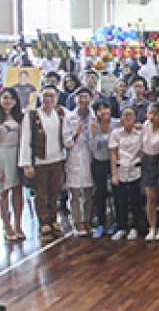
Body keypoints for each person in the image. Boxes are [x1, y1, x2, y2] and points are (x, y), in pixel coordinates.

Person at [20, 85, 66, 242]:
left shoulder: (60, 113)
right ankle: (44, 223)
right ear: (40, 97)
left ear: (57, 98)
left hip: (57, 159)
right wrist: (26, 163)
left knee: (54, 192)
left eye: (52, 96)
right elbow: (25, 140)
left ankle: (54, 219)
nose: (49, 99)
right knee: (41, 193)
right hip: (40, 161)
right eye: (46, 95)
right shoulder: (32, 115)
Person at [63, 87, 96, 236]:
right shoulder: (69, 117)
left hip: (89, 157)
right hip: (74, 157)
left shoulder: (93, 117)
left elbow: (95, 143)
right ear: (75, 99)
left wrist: (94, 133)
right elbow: (66, 142)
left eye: (86, 97)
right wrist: (75, 134)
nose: (83, 100)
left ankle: (87, 220)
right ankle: (77, 222)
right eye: (80, 97)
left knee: (89, 192)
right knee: (75, 193)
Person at [108, 106, 144, 240]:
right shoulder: (116, 133)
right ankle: (122, 227)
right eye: (125, 115)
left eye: (130, 115)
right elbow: (113, 153)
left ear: (135, 117)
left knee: (135, 200)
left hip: (135, 169)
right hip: (120, 169)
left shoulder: (140, 133)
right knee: (120, 200)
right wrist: (114, 174)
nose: (127, 118)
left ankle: (134, 226)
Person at [89, 100, 117, 238]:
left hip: (114, 162)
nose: (103, 111)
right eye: (99, 110)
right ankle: (101, 223)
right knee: (100, 192)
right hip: (99, 162)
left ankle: (116, 222)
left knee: (117, 191)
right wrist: (94, 134)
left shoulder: (117, 123)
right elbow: (92, 148)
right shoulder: (94, 126)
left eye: (105, 108)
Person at [141, 102, 159, 241]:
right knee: (151, 198)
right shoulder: (144, 126)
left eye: (155, 114)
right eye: (150, 113)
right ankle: (151, 227)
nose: (152, 117)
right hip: (147, 162)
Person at [0, 88, 24, 240]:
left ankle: (18, 224)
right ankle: (6, 225)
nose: (8, 101)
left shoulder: (20, 118)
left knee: (18, 191)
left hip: (17, 155)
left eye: (11, 98)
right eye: (5, 97)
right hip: (2, 155)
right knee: (3, 193)